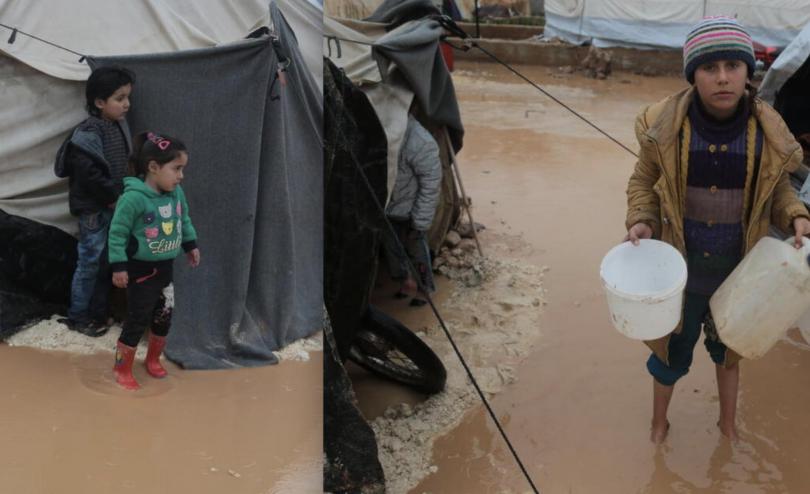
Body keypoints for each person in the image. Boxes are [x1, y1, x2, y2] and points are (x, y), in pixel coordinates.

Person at [624, 16, 810, 443]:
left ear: (749, 72)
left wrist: (796, 215)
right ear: (693, 74)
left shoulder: (768, 133)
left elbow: (779, 189)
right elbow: (642, 182)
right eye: (710, 68)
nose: (723, 78)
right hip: (680, 269)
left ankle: (728, 427)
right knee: (670, 351)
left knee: (730, 349)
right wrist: (642, 219)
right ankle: (658, 425)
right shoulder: (665, 129)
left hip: (740, 267)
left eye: (733, 66)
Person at [108, 132, 200, 390]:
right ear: (153, 167)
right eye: (177, 169)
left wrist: (190, 245)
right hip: (140, 273)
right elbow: (117, 234)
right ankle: (122, 367)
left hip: (165, 271)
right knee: (137, 320)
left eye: (183, 169)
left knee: (164, 318)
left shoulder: (176, 193)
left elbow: (184, 221)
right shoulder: (133, 199)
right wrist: (118, 266)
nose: (181, 176)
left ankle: (152, 360)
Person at [54, 66, 135, 337]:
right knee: (89, 262)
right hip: (94, 210)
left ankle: (98, 312)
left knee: (105, 263)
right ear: (100, 102)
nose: (127, 104)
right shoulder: (90, 131)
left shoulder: (115, 127)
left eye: (128, 97)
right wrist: (112, 197)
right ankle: (78, 316)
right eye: (120, 98)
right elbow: (87, 172)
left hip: (111, 206)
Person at [382, 114, 443, 307]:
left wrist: (420, 220)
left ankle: (425, 290)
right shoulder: (384, 132)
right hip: (389, 208)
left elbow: (431, 184)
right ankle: (406, 282)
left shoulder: (420, 141)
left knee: (418, 254)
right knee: (393, 252)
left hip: (411, 210)